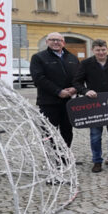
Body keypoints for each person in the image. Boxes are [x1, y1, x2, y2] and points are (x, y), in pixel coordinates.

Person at [73, 39, 108, 172]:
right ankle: (97, 161)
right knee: (95, 135)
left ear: (107, 50)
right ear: (93, 50)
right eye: (98, 50)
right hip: (95, 105)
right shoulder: (86, 64)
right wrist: (86, 91)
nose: (101, 52)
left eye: (103, 50)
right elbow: (77, 82)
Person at [30, 32, 79, 161]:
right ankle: (52, 159)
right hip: (48, 102)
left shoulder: (72, 58)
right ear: (47, 42)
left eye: (59, 40)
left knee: (67, 131)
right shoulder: (39, 57)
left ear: (63, 42)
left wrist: (75, 88)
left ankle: (64, 157)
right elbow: (39, 79)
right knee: (49, 132)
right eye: (52, 40)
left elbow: (79, 77)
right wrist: (58, 91)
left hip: (68, 102)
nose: (56, 42)